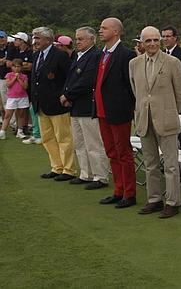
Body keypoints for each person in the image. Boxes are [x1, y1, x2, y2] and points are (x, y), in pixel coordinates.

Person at [130, 26, 181, 218]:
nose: (152, 44)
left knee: (170, 164)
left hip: (167, 120)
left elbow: (180, 94)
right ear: (142, 43)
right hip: (144, 120)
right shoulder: (134, 64)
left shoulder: (172, 62)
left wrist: (170, 111)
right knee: (150, 163)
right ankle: (154, 199)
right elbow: (136, 91)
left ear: (160, 41)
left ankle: (172, 202)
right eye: (148, 41)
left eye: (156, 40)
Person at [95, 17, 137, 209]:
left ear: (116, 32)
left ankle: (129, 193)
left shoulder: (125, 54)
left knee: (123, 153)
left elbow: (130, 86)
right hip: (103, 111)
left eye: (104, 28)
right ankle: (118, 190)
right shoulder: (102, 54)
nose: (100, 30)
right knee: (111, 152)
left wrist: (129, 108)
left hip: (118, 112)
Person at [60, 26, 110, 189]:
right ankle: (85, 173)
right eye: (76, 38)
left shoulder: (95, 56)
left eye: (81, 39)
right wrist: (65, 94)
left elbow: (87, 81)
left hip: (88, 105)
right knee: (79, 143)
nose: (77, 42)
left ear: (91, 39)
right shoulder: (78, 55)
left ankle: (100, 176)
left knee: (93, 143)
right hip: (75, 106)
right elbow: (70, 78)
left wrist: (68, 95)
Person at [31, 27, 76, 181]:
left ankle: (69, 169)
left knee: (63, 138)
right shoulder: (36, 55)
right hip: (40, 104)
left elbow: (68, 78)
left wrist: (65, 96)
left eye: (37, 38)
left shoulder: (60, 56)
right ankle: (57, 167)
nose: (35, 41)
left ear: (48, 40)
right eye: (34, 38)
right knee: (47, 138)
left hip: (57, 104)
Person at [161, 25, 181, 150]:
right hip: (163, 101)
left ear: (175, 38)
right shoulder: (161, 55)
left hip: (177, 101)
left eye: (168, 36)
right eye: (163, 36)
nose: (165, 39)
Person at [0, 59, 29, 140]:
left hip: (22, 97)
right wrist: (14, 78)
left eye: (18, 66)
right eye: (15, 66)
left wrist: (19, 79)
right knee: (7, 115)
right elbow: (8, 85)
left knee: (21, 114)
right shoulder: (8, 75)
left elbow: (25, 87)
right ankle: (2, 132)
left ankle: (20, 131)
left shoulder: (24, 76)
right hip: (12, 98)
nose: (16, 68)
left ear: (21, 67)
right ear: (12, 67)